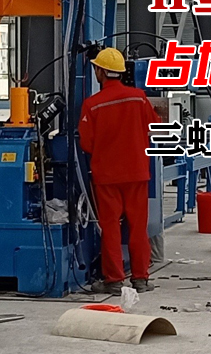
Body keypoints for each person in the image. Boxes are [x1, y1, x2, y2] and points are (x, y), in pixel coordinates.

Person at [76, 47, 160, 293]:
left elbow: (86, 144)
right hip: (137, 173)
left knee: (111, 228)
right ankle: (141, 278)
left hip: (107, 176)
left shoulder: (92, 105)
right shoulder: (139, 97)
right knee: (138, 227)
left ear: (101, 72)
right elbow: (153, 126)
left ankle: (113, 280)